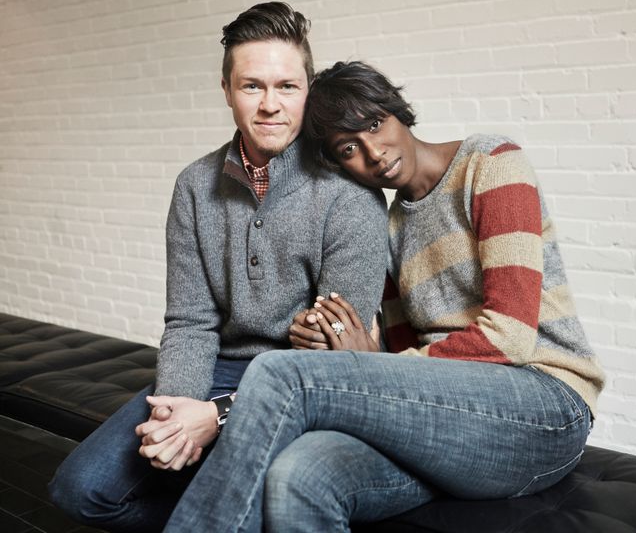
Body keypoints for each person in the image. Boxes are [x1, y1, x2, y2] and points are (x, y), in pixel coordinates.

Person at [161, 61, 605, 532]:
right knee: (298, 475)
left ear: (397, 111)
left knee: (282, 373)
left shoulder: (491, 162)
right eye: (348, 147)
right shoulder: (388, 228)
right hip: (449, 423)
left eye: (375, 124)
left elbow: (510, 337)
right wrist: (358, 352)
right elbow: (399, 350)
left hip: (545, 407)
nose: (373, 152)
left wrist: (371, 367)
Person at [47, 7, 388, 533]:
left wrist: (219, 416)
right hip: (216, 370)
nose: (270, 105)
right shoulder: (193, 186)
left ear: (309, 90)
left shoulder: (348, 194)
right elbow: (190, 320)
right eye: (252, 86)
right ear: (226, 89)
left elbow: (333, 361)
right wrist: (177, 411)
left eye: (287, 86)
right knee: (81, 489)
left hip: (300, 385)